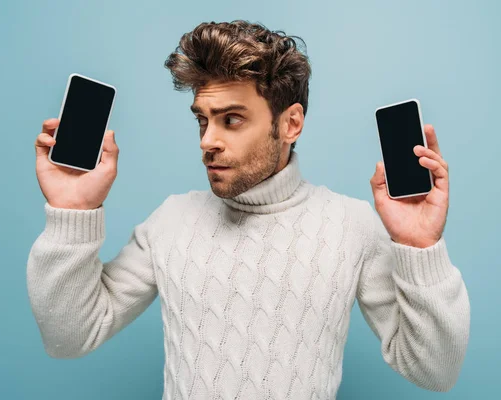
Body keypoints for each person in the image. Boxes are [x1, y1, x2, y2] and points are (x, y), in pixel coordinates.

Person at [27, 20, 470, 400]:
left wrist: (419, 246)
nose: (207, 141)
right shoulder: (171, 220)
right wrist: (71, 214)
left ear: (290, 123)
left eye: (232, 119)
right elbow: (70, 338)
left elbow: (434, 371)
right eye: (202, 119)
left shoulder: (349, 226)